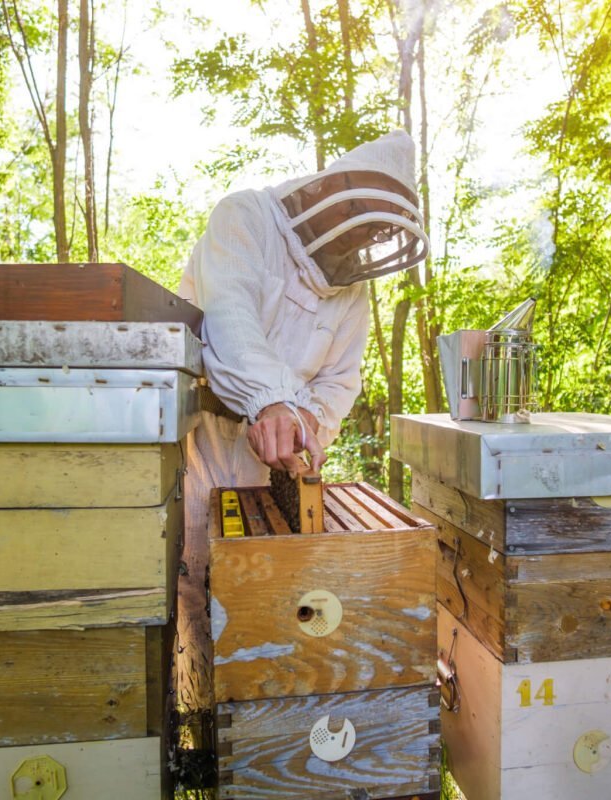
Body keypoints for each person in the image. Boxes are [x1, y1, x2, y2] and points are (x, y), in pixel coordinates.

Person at [174, 129, 429, 734]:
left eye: (375, 236)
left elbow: (342, 378)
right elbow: (230, 321)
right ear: (335, 195)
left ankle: (268, 746)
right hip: (204, 449)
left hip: (274, 471)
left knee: (269, 612)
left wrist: (311, 419)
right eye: (362, 225)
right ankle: (201, 741)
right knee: (192, 594)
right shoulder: (246, 220)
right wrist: (274, 402)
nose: (364, 242)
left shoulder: (352, 294)